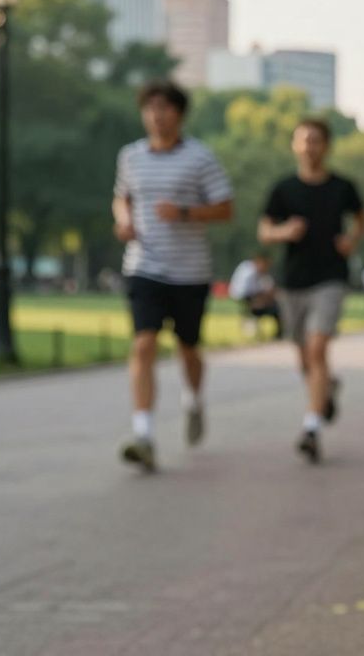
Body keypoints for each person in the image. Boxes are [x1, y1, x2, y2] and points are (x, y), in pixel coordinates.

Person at [112, 80, 234, 472]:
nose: (157, 116)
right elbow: (122, 196)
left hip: (189, 271)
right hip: (144, 265)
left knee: (188, 349)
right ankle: (143, 434)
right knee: (143, 344)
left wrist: (184, 212)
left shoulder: (200, 158)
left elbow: (225, 208)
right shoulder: (131, 156)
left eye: (164, 108)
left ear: (179, 114)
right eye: (150, 109)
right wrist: (124, 220)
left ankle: (193, 399)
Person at [258, 119, 364, 465]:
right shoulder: (284, 188)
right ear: (294, 145)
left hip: (330, 278)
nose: (309, 147)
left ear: (327, 146)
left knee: (317, 348)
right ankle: (326, 389)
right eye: (303, 140)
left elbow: (361, 217)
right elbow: (264, 231)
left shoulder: (342, 187)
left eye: (316, 140)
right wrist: (284, 232)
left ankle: (311, 428)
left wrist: (351, 239)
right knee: (305, 357)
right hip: (293, 281)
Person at [228, 253, 282, 339]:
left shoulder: (248, 268)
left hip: (250, 299)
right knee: (277, 308)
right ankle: (279, 333)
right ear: (260, 262)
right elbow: (248, 292)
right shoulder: (250, 272)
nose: (267, 268)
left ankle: (279, 333)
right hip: (248, 300)